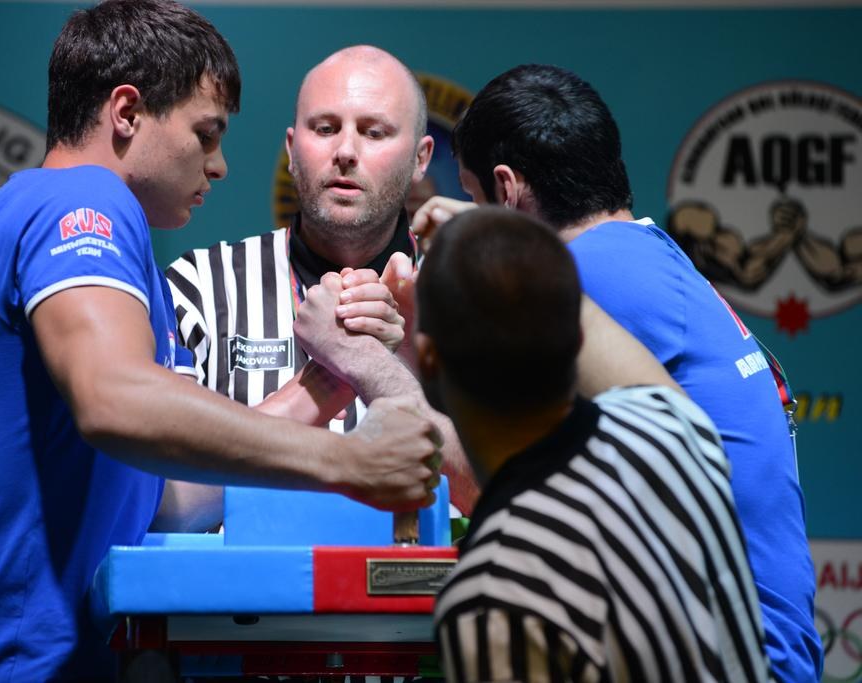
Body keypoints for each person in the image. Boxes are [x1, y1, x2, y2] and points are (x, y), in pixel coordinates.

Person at [0, 4, 442, 681]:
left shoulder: (103, 246)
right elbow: (114, 396)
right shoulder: (79, 202)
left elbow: (167, 497)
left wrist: (329, 379)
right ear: (127, 113)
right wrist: (350, 460)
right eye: (206, 133)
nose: (218, 166)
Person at [412, 64, 821, 682]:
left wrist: (375, 360)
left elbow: (494, 484)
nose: (469, 212)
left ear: (506, 188)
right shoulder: (643, 251)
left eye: (471, 195)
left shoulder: (588, 278)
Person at [420, 206, 772, 682]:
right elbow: (587, 326)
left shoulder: (493, 592)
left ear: (428, 358)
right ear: (578, 338)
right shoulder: (670, 432)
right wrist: (511, 246)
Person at [162, 45, 479, 529]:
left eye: (374, 132)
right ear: (292, 151)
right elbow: (163, 505)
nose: (346, 152)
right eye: (325, 128)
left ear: (421, 159)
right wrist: (330, 376)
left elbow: (516, 499)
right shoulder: (199, 287)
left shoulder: (478, 297)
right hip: (247, 579)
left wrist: (374, 366)